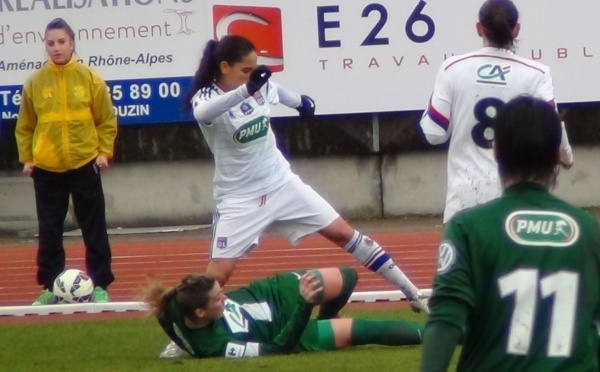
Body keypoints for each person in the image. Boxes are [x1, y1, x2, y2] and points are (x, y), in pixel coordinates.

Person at [186, 35, 428, 312]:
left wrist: (301, 103)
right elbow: (202, 113)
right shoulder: (206, 97)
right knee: (218, 274)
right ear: (225, 66)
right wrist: (246, 90)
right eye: (246, 70)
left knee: (343, 232)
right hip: (240, 198)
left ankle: (414, 294)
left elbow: (282, 93)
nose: (253, 76)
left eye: (255, 70)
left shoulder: (260, 88)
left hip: (281, 183)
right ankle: (182, 334)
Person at [420, 96, 600, 371]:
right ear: (556, 155)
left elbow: (446, 318)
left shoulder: (468, 227)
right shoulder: (588, 230)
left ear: (496, 151)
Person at [418, 0, 574, 223]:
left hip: (464, 200)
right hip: (516, 199)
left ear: (479, 28)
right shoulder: (536, 73)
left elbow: (434, 134)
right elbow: (552, 127)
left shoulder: (452, 68)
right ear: (516, 29)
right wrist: (567, 157)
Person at [15, 18, 117, 305]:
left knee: (93, 227)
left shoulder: (89, 78)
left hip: (85, 163)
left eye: (61, 42)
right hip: (47, 168)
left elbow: (106, 120)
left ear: (72, 43)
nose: (56, 48)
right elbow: (25, 125)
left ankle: (100, 284)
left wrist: (103, 152)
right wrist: (28, 158)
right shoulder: (35, 82)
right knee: (49, 230)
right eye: (51, 43)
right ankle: (50, 286)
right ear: (44, 45)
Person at [144, 267, 425, 358]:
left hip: (275, 291)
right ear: (201, 312)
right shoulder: (219, 345)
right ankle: (445, 333)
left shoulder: (171, 306)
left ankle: (326, 319)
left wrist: (181, 344)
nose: (225, 298)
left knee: (348, 277)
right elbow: (277, 348)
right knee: (363, 330)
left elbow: (171, 324)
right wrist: (304, 305)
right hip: (288, 330)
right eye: (218, 299)